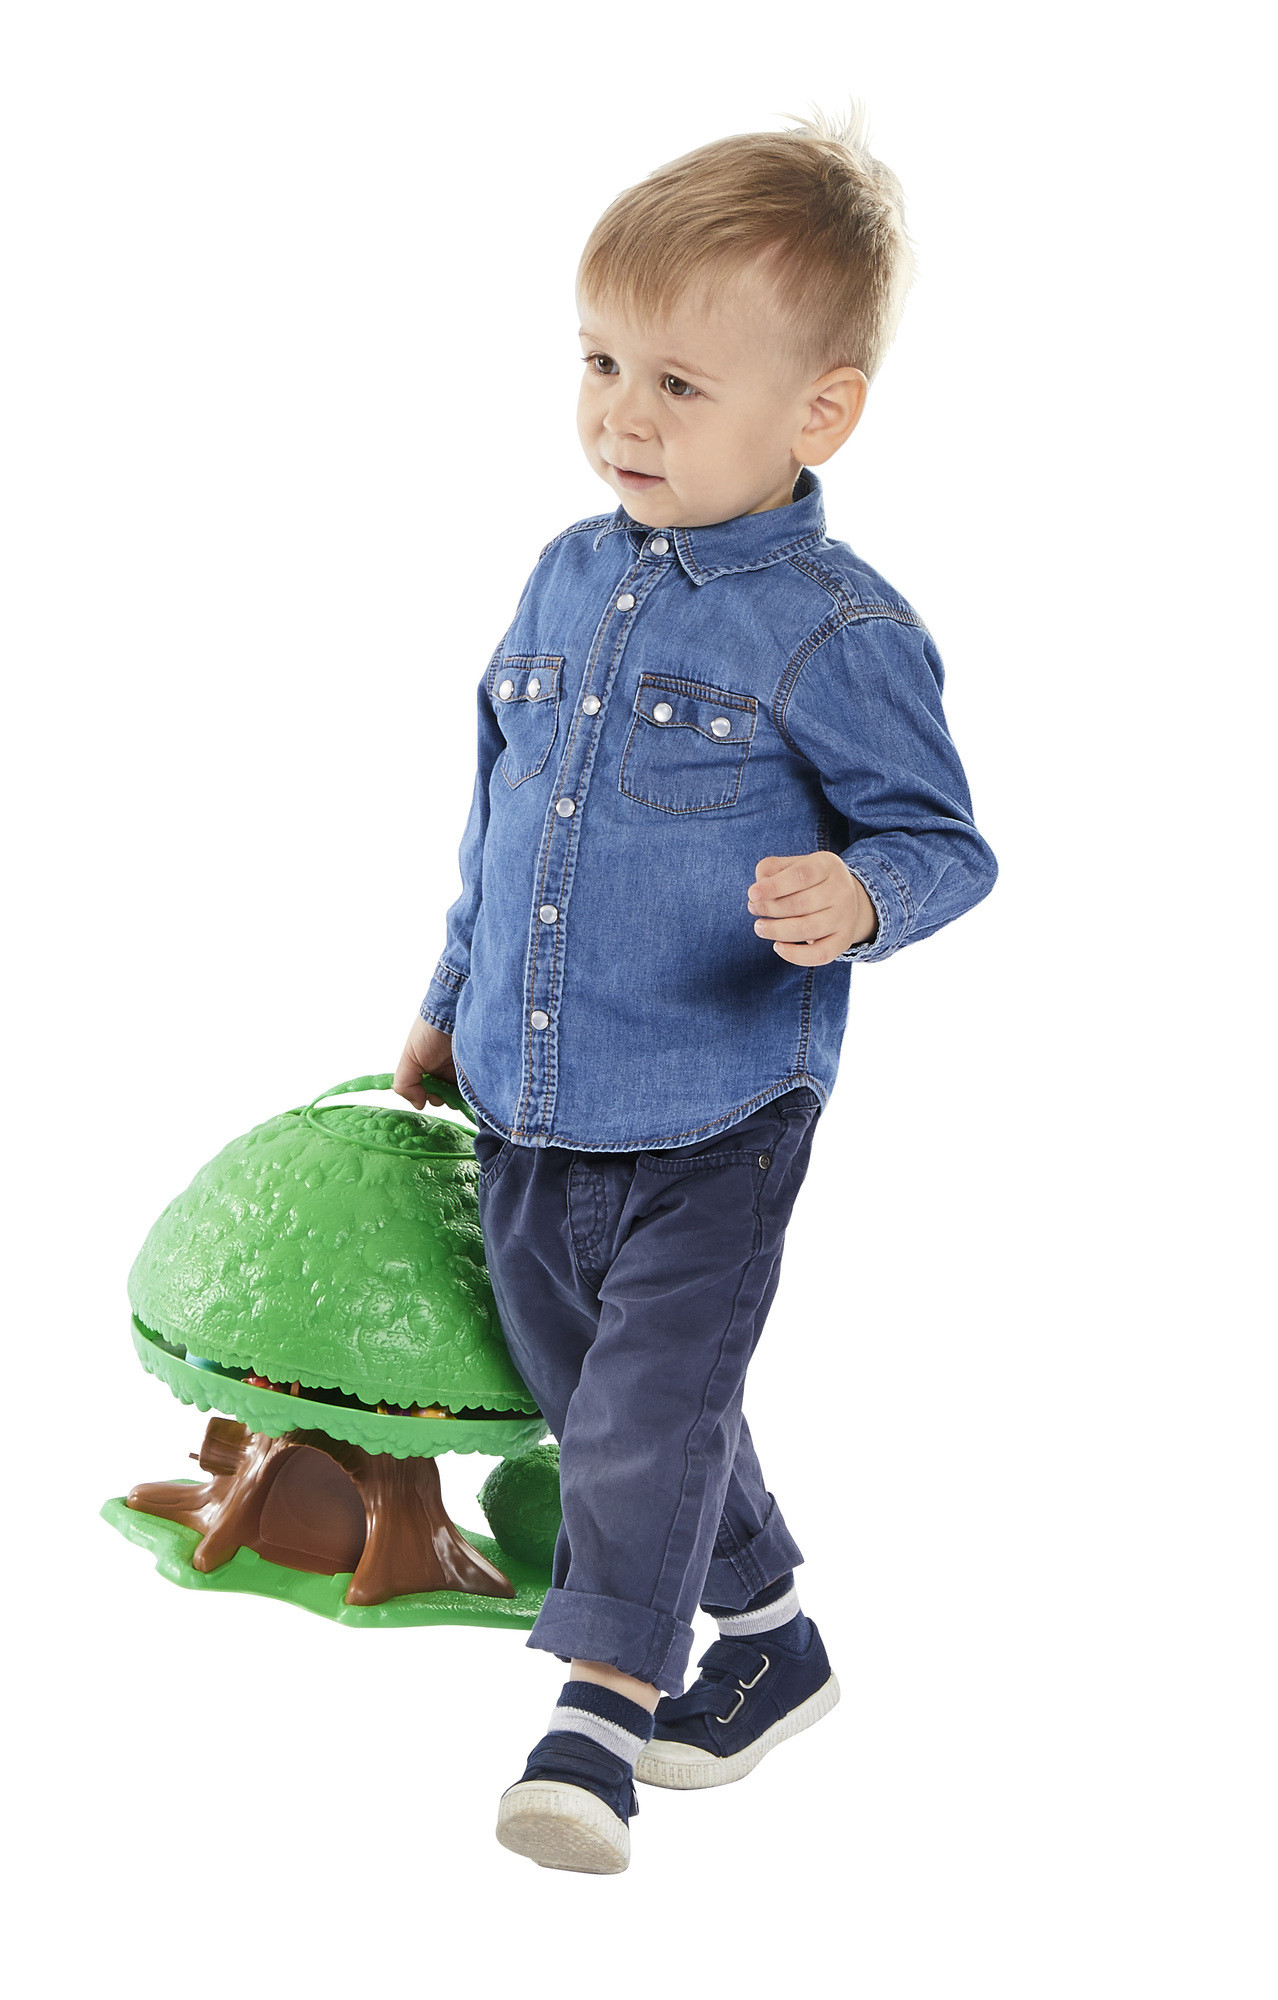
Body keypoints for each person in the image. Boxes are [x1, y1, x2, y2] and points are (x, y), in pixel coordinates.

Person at [393, 103, 997, 1875]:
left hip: (715, 1107)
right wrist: (443, 994)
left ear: (820, 412)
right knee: (602, 1402)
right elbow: (500, 813)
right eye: (598, 365)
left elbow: (944, 843)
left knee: (647, 1411)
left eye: (676, 383)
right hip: (527, 1088)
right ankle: (773, 1640)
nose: (620, 419)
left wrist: (856, 897)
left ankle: (597, 1714)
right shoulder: (562, 574)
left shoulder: (835, 628)